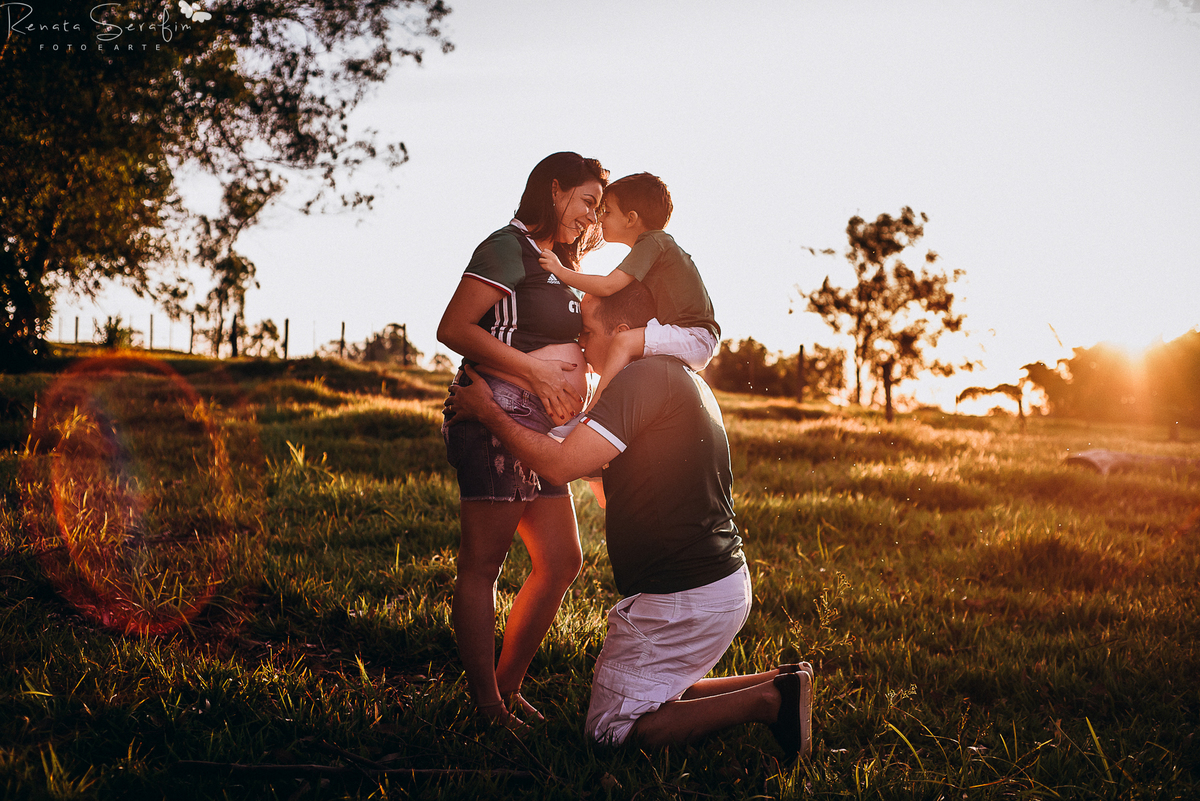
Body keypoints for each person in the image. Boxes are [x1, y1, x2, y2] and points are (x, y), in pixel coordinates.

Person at [446, 283, 814, 758]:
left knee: (609, 733)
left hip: (683, 596)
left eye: (588, 331)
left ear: (622, 331)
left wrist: (489, 412)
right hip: (716, 585)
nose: (581, 345)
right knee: (657, 688)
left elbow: (558, 467)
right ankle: (786, 680)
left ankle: (770, 700)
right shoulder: (674, 375)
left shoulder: (640, 379)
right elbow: (599, 481)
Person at [435, 151, 608, 727]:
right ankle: (486, 705)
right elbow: (453, 328)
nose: (590, 216)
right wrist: (536, 373)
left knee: (560, 562)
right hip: (495, 415)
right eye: (586, 202)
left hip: (543, 430)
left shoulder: (555, 263)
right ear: (554, 191)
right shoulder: (505, 247)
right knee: (483, 565)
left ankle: (504, 692)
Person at [537, 172, 719, 421]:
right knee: (628, 348)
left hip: (695, 337)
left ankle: (591, 416)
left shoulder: (653, 242)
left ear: (631, 219)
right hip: (690, 336)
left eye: (607, 212)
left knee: (624, 341)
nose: (600, 219)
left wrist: (559, 271)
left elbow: (607, 286)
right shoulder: (657, 248)